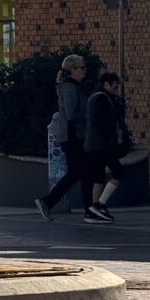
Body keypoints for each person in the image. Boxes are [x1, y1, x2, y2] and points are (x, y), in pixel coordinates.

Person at [34, 54, 97, 221]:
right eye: (82, 68)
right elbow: (71, 114)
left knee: (77, 173)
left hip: (75, 136)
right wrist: (88, 114)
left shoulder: (74, 86)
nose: (85, 71)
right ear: (72, 70)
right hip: (73, 136)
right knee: (84, 173)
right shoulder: (69, 88)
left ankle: (47, 202)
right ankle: (89, 210)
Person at [85, 72, 126, 223]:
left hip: (96, 145)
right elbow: (104, 123)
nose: (116, 88)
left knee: (99, 177)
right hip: (102, 145)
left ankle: (94, 209)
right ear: (106, 84)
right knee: (117, 172)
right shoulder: (101, 99)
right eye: (114, 85)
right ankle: (98, 205)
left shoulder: (99, 97)